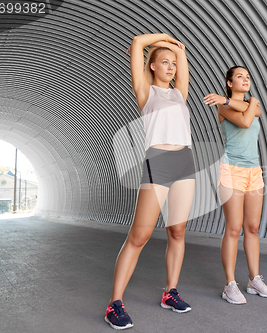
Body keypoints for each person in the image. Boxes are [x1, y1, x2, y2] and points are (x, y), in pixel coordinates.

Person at [105, 33, 195, 330]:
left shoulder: (180, 92)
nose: (171, 67)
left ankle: (170, 292)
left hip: (185, 161)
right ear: (152, 66)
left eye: (173, 64)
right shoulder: (145, 91)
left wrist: (176, 49)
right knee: (139, 236)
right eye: (165, 63)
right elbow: (137, 42)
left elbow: (182, 57)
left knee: (178, 232)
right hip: (158, 161)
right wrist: (166, 39)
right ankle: (114, 304)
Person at [204, 66, 267, 305]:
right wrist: (245, 101)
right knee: (233, 228)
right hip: (231, 170)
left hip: (254, 171)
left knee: (252, 227)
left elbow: (258, 111)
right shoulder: (224, 107)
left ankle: (254, 279)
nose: (245, 79)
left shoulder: (244, 102)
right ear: (229, 82)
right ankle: (230, 284)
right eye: (239, 77)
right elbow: (246, 121)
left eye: (247, 77)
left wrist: (248, 101)